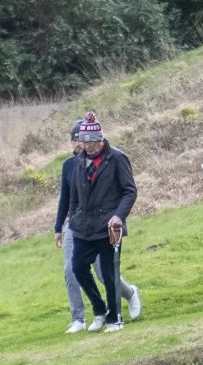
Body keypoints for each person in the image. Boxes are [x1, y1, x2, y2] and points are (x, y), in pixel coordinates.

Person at [55, 114, 141, 332]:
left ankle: (115, 319)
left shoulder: (117, 158)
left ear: (101, 139)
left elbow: (129, 191)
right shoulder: (75, 162)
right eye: (84, 142)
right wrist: (70, 220)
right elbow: (71, 195)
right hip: (83, 226)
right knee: (77, 267)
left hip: (110, 226)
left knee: (109, 272)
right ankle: (99, 309)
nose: (88, 146)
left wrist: (119, 216)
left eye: (92, 142)